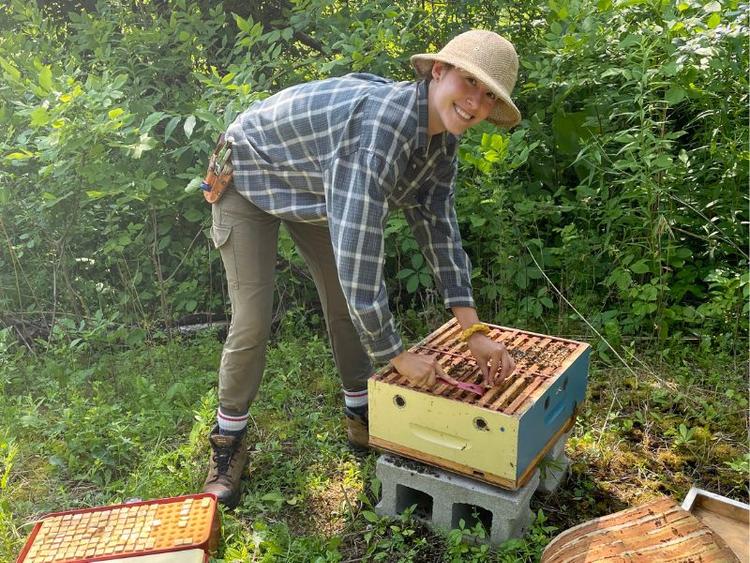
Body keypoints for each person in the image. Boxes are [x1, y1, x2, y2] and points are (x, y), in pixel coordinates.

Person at [202, 29, 520, 508]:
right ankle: (227, 445)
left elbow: (440, 230)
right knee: (252, 318)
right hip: (248, 173)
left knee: (343, 304)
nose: (475, 103)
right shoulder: (380, 133)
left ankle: (360, 414)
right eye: (469, 82)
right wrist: (397, 354)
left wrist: (472, 329)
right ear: (438, 71)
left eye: (489, 95)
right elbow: (359, 258)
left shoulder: (441, 145)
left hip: (311, 185)